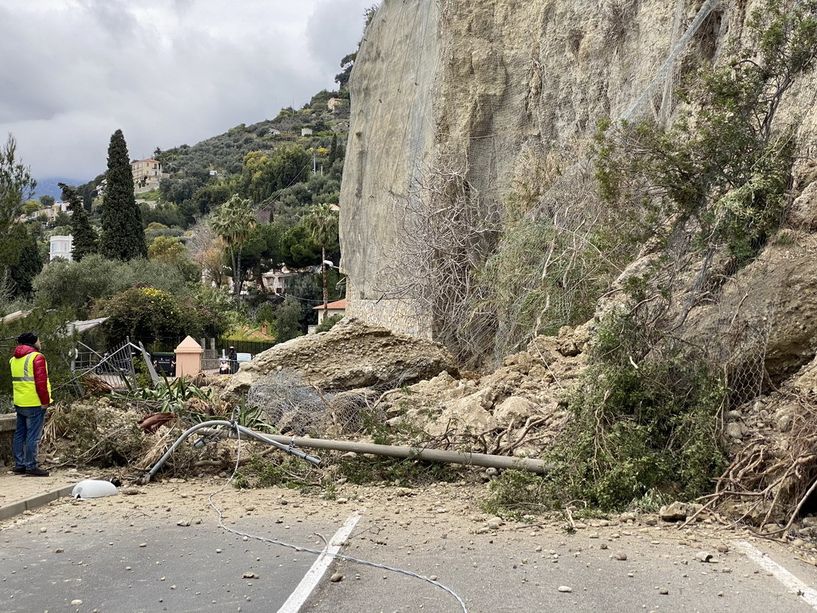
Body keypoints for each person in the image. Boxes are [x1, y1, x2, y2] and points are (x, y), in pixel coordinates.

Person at [10, 332, 52, 477]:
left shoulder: (13, 360)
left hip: (20, 402)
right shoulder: (37, 357)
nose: (40, 342)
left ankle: (20, 464)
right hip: (34, 402)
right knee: (33, 435)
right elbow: (41, 384)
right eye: (38, 340)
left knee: (20, 434)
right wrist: (45, 401)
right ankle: (31, 466)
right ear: (33, 342)